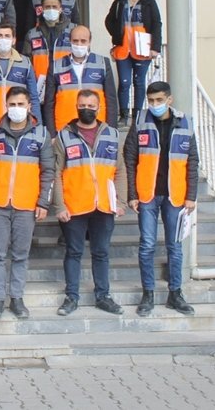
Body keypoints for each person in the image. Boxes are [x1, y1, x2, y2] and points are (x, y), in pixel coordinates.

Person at [125, 81, 199, 317]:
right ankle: (148, 294)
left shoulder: (185, 122)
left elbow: (192, 162)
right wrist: (132, 194)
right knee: (147, 245)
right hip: (147, 194)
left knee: (174, 247)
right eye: (151, 100)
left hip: (175, 196)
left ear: (170, 99)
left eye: (159, 100)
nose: (155, 105)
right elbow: (130, 157)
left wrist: (191, 195)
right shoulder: (140, 121)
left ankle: (175, 293)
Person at [0, 86, 54, 320]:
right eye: (12, 105)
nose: (16, 109)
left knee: (21, 254)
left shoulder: (41, 134)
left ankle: (17, 299)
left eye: (20, 105)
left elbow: (48, 171)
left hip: (26, 204)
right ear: (6, 105)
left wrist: (43, 202)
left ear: (29, 107)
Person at [53, 90, 123, 317]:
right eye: (83, 104)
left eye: (91, 105)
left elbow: (120, 170)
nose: (87, 109)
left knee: (101, 252)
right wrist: (60, 206)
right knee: (73, 252)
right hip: (74, 205)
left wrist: (119, 201)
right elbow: (56, 173)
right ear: (76, 106)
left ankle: (103, 296)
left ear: (99, 107)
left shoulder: (112, 134)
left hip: (103, 205)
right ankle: (71, 297)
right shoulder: (64, 136)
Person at [105, 0, 163, 125]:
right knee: (124, 82)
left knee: (139, 81)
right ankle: (124, 114)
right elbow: (109, 21)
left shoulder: (149, 1)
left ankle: (137, 115)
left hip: (142, 48)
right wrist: (116, 35)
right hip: (123, 48)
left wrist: (155, 47)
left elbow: (157, 24)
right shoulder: (119, 1)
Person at [42, 25, 119, 135]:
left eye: (83, 41)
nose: (79, 45)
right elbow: (49, 103)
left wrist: (112, 131)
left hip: (97, 129)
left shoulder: (102, 63)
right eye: (75, 41)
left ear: (89, 42)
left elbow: (111, 100)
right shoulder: (56, 66)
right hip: (64, 129)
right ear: (70, 41)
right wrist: (52, 134)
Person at [25, 0, 74, 81]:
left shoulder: (73, 31)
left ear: (60, 9)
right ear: (42, 9)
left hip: (66, 81)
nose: (51, 9)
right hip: (40, 84)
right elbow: (26, 62)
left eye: (54, 7)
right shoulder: (32, 34)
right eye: (47, 7)